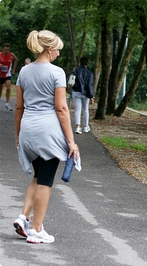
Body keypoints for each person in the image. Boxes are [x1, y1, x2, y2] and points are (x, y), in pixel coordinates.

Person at [13, 30, 79, 244]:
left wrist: (18, 135)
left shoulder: (24, 71)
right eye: (58, 49)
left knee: (38, 174)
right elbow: (61, 108)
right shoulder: (56, 72)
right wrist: (71, 141)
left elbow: (18, 106)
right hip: (47, 132)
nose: (59, 54)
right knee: (46, 181)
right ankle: (36, 229)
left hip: (28, 130)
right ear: (50, 49)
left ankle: (24, 217)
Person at [71, 57, 94, 134]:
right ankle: (85, 126)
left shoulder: (75, 71)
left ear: (80, 62)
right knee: (85, 109)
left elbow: (71, 80)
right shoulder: (89, 73)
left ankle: (78, 127)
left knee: (77, 109)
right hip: (85, 94)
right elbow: (90, 85)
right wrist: (91, 96)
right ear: (87, 63)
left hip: (76, 92)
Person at [0, 43, 18, 111]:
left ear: (9, 49)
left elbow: (16, 60)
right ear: (3, 49)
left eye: (8, 49)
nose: (6, 50)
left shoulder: (12, 55)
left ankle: (7, 104)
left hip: (8, 73)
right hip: (1, 74)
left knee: (8, 87)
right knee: (0, 89)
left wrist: (13, 70)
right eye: (5, 49)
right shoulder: (0, 54)